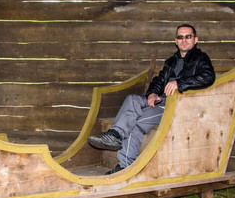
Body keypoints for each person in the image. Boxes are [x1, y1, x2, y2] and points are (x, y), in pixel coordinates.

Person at [88, 24, 215, 174]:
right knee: (132, 99)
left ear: (195, 40)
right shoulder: (171, 61)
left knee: (135, 123)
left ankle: (124, 166)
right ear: (176, 41)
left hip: (178, 105)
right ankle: (115, 135)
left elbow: (208, 77)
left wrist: (179, 83)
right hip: (161, 100)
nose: (184, 40)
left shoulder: (201, 58)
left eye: (188, 36)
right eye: (180, 37)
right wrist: (152, 94)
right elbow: (159, 81)